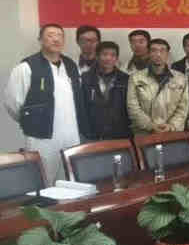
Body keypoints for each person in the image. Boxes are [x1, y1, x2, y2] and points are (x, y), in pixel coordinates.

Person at [4, 24, 85, 185]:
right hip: (41, 137)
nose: (56, 39)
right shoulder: (26, 67)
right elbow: (13, 102)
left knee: (70, 181)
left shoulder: (71, 66)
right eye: (50, 35)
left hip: (71, 134)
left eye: (60, 36)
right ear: (40, 40)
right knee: (42, 181)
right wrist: (31, 121)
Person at [127, 39, 189, 134]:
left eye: (162, 50)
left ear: (167, 54)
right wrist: (150, 126)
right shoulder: (135, 78)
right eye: (154, 50)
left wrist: (171, 126)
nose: (158, 54)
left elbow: (183, 107)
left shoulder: (180, 78)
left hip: (171, 132)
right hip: (144, 132)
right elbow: (132, 107)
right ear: (148, 53)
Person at [81, 41, 131, 140]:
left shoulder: (125, 79)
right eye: (104, 54)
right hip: (93, 134)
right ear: (97, 56)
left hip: (120, 133)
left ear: (116, 58)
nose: (108, 58)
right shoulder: (86, 78)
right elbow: (82, 106)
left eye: (113, 55)